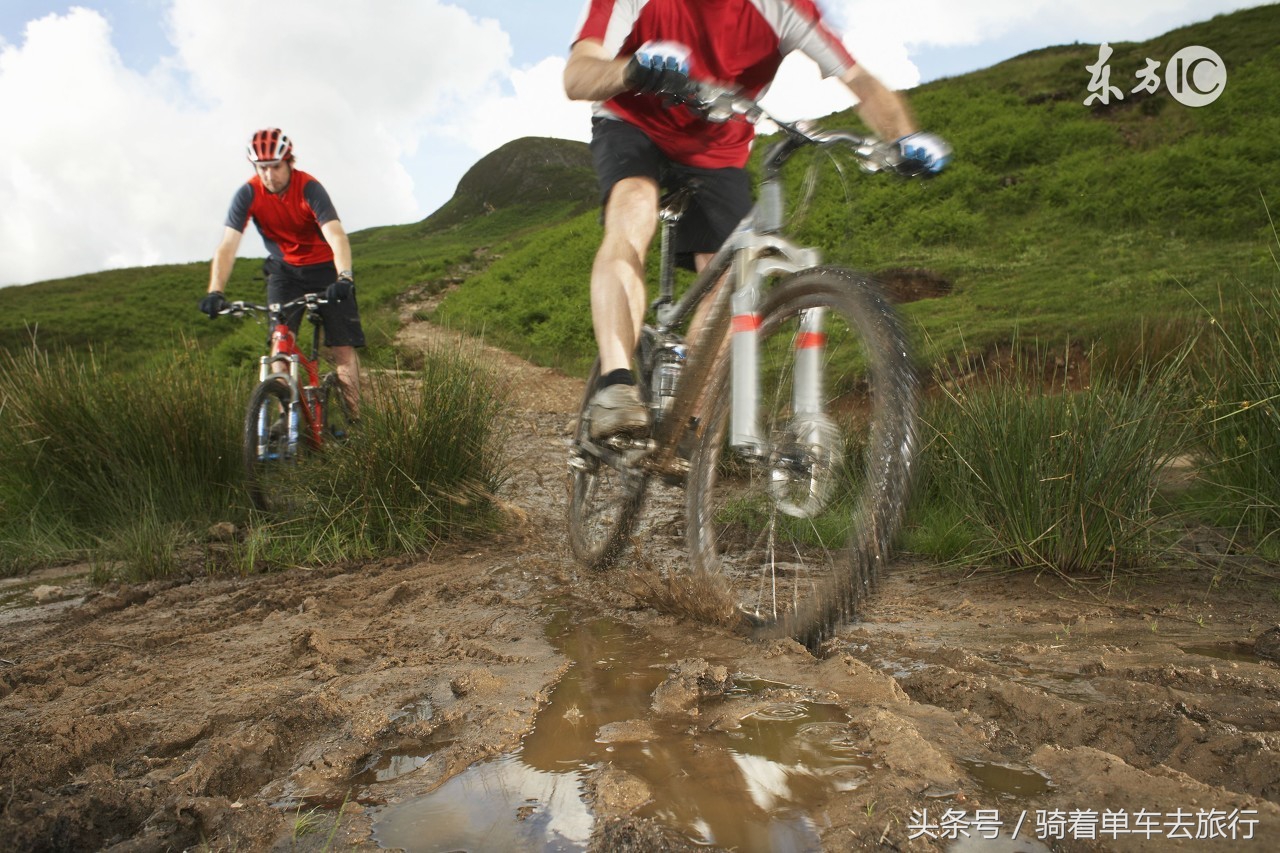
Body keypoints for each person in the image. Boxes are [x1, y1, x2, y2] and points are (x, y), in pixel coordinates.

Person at [564, 0, 950, 439]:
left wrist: (902, 135)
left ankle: (684, 416)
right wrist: (630, 71)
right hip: (633, 123)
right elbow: (578, 75)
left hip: (717, 149)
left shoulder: (783, 7)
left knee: (734, 274)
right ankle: (615, 384)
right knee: (632, 207)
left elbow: (859, 78)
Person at [200, 127, 364, 410]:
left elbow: (336, 235)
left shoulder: (309, 188)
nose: (268, 175)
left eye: (275, 166)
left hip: (326, 270)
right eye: (261, 168)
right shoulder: (249, 193)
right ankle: (282, 426)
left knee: (342, 349)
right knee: (280, 348)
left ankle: (357, 422)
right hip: (284, 273)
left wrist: (344, 277)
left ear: (289, 162)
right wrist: (216, 290)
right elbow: (227, 246)